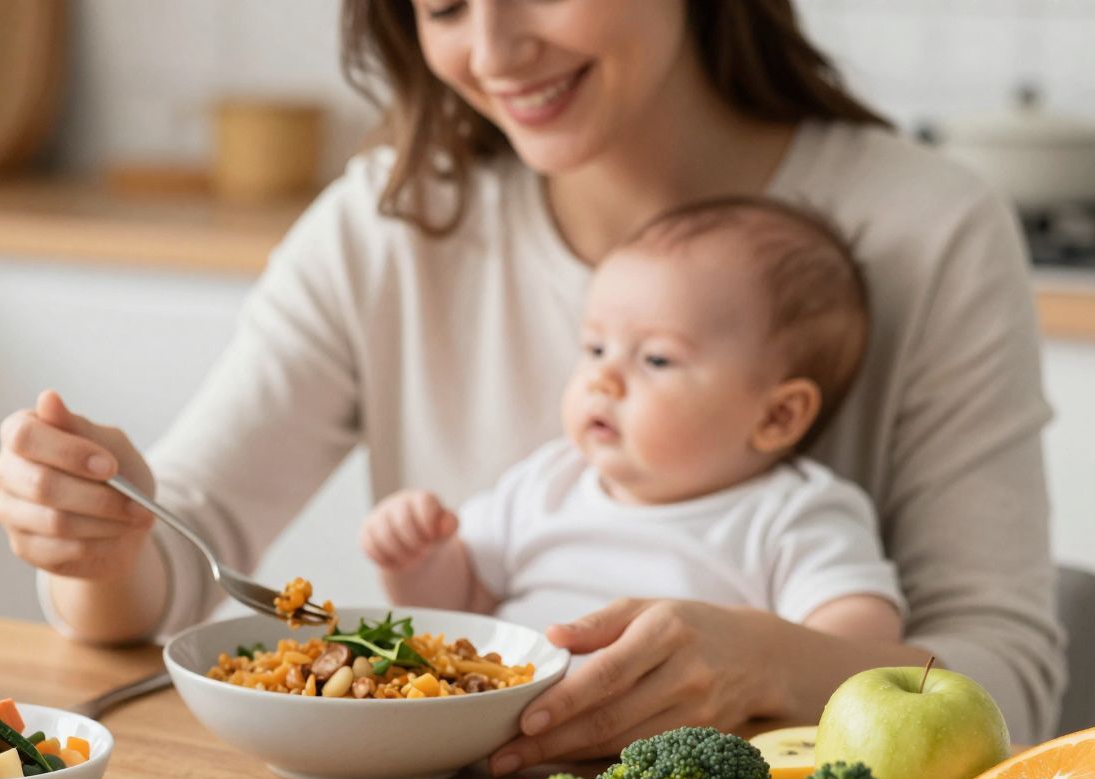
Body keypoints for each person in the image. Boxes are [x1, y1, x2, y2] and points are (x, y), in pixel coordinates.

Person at [0, 0, 1063, 775]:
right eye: (444, 5)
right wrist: (99, 535)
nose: (494, 52)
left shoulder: (926, 231)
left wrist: (768, 662)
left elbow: (1009, 684)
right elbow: (177, 565)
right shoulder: (387, 223)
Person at [364, 196, 904, 652]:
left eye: (656, 359)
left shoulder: (791, 515)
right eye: (595, 348)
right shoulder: (545, 483)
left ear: (777, 416)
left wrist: (765, 660)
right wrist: (416, 558)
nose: (602, 378)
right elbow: (460, 605)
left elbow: (859, 643)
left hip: (669, 746)